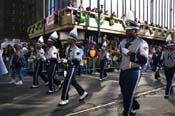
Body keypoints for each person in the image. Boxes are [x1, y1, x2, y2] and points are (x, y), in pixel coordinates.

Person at [119, 11, 149, 116]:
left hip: (134, 71)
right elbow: (120, 57)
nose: (127, 32)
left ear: (135, 31)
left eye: (130, 30)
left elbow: (144, 60)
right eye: (126, 30)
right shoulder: (122, 42)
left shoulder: (142, 43)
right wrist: (116, 57)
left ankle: (126, 113)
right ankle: (132, 106)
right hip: (123, 71)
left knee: (128, 94)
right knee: (124, 92)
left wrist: (130, 54)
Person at [59, 28, 88, 106]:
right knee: (73, 81)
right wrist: (64, 60)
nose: (67, 39)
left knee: (67, 82)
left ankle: (64, 99)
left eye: (69, 39)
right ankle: (82, 92)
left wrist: (67, 61)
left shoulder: (77, 49)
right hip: (68, 67)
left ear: (73, 40)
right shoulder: (68, 48)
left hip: (73, 67)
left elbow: (77, 61)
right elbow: (68, 57)